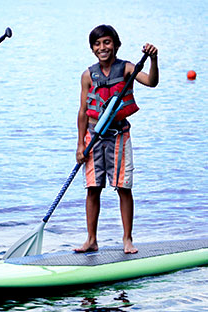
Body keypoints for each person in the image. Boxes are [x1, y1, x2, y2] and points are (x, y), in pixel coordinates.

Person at [75, 25, 158, 254]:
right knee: (93, 188)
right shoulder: (87, 75)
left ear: (116, 45)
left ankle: (127, 239)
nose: (102, 47)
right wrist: (80, 144)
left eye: (107, 42)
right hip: (93, 136)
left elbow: (151, 82)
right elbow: (83, 111)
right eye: (97, 44)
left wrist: (153, 59)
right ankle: (91, 240)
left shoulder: (127, 68)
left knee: (123, 187)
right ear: (92, 48)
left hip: (119, 136)